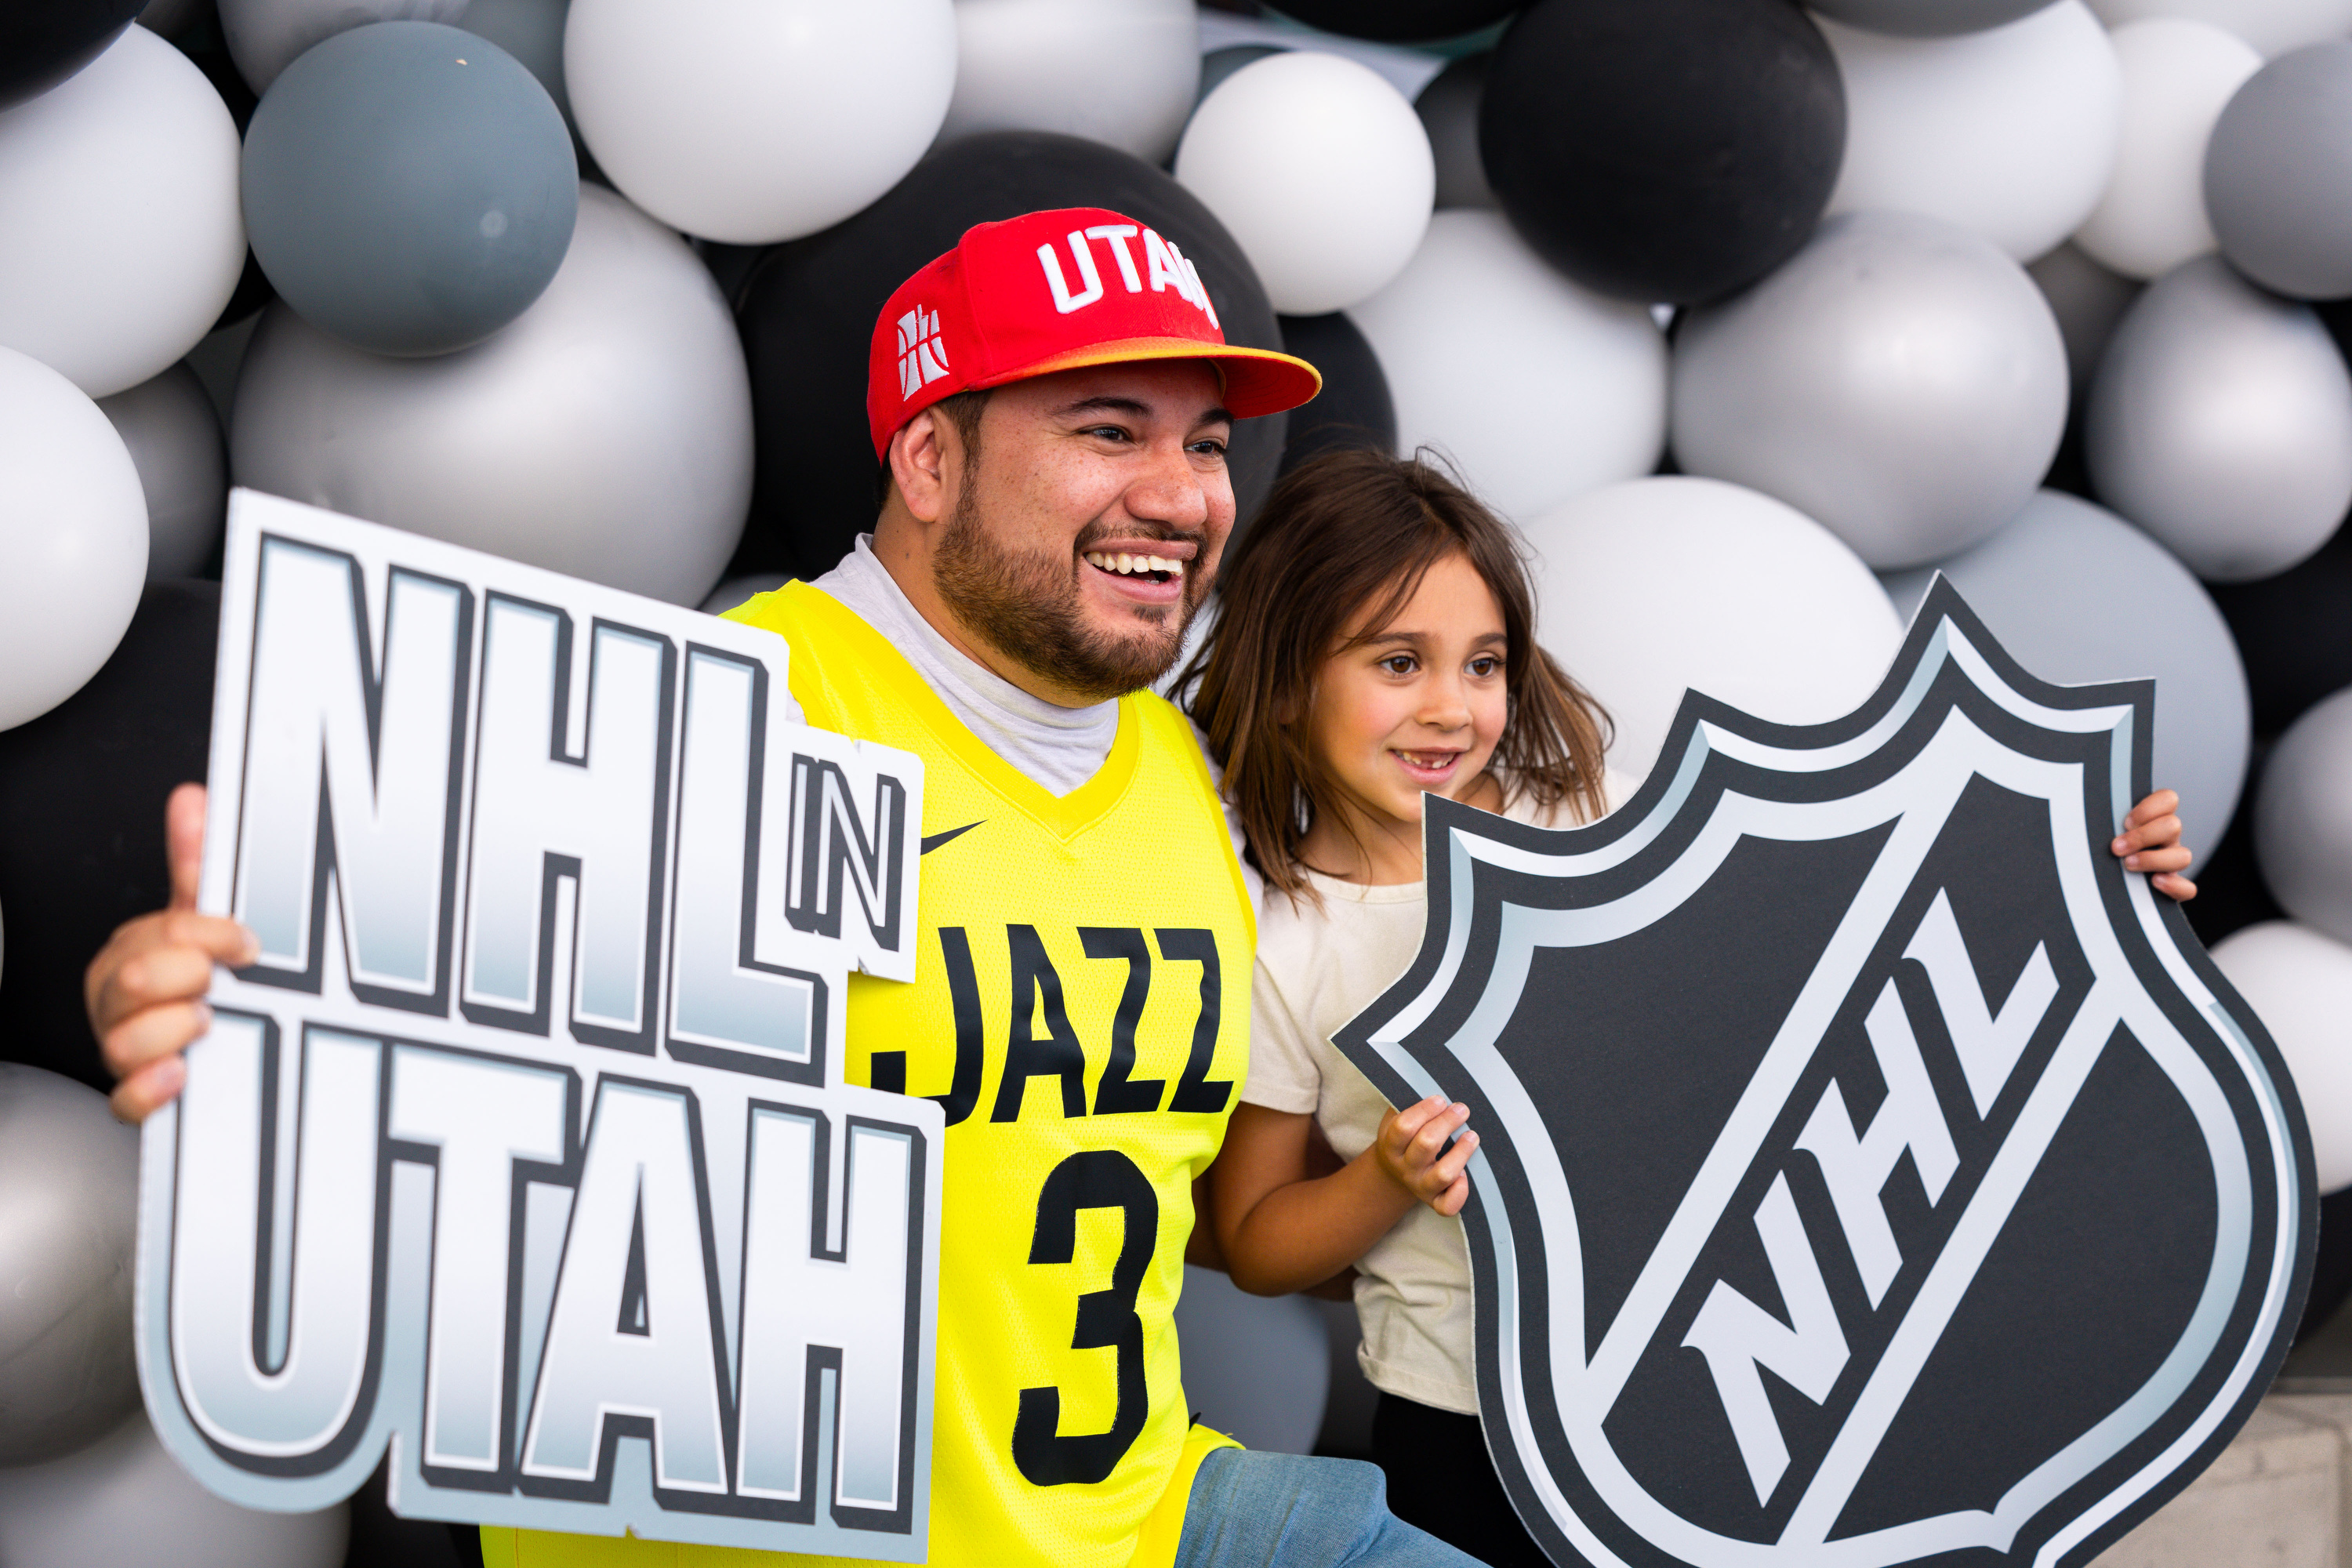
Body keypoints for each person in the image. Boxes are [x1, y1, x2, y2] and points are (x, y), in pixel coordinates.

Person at [84, 209, 1488, 1568]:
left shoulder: (1185, 772)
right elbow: (394, 1021)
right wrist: (222, 1009)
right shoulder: (724, 713)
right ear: (930, 461)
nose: (1184, 498)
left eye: (1205, 445)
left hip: (1136, 1515)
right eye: (1107, 429)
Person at [1183, 447, 2200, 1568]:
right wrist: (1386, 1179)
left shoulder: (1590, 822)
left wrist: (2091, 866)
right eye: (1397, 661)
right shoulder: (1281, 943)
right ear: (1286, 680)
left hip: (1716, 1385)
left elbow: (1852, 954)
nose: (1451, 706)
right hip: (1465, 1426)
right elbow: (1257, 1242)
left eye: (1483, 664)